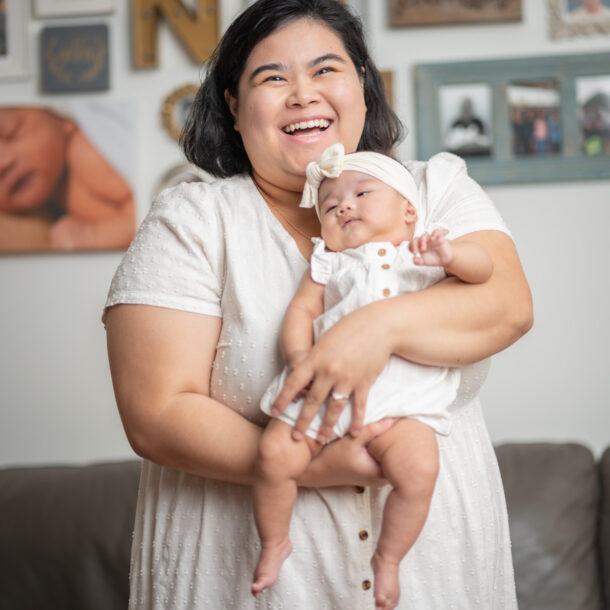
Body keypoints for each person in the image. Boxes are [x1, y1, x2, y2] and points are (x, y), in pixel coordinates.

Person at [103, 1, 533, 608]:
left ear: (363, 86)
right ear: (232, 104)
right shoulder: (195, 219)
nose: (303, 95)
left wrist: (373, 330)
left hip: (437, 574)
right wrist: (312, 467)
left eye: (326, 69)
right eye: (272, 77)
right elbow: (155, 412)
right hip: (245, 581)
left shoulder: (432, 191)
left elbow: (508, 305)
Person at [252, 143, 494, 607]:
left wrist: (452, 253)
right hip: (326, 390)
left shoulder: (419, 255)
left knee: (419, 469)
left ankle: (388, 558)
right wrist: (300, 358)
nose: (344, 204)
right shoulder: (328, 260)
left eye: (363, 193)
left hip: (403, 401)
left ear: (408, 211)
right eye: (329, 204)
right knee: (274, 453)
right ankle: (274, 541)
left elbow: (483, 275)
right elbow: (302, 309)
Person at [0, 105, 136, 253]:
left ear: (62, 120)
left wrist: (92, 237)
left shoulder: (84, 153)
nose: (3, 164)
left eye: (11, 134)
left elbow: (147, 208)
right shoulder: (48, 203)